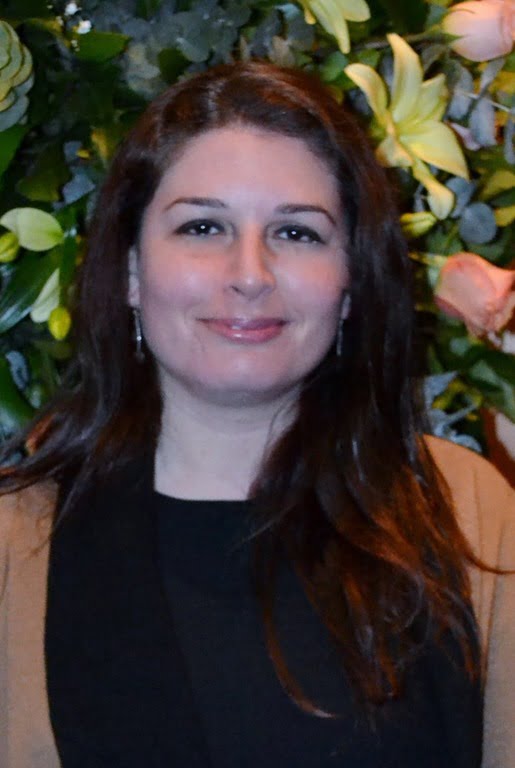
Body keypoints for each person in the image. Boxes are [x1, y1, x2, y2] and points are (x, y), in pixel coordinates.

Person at [0, 61, 513, 768]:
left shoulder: (465, 510)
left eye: (297, 233)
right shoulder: (15, 546)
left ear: (350, 283)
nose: (249, 274)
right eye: (203, 226)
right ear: (130, 272)